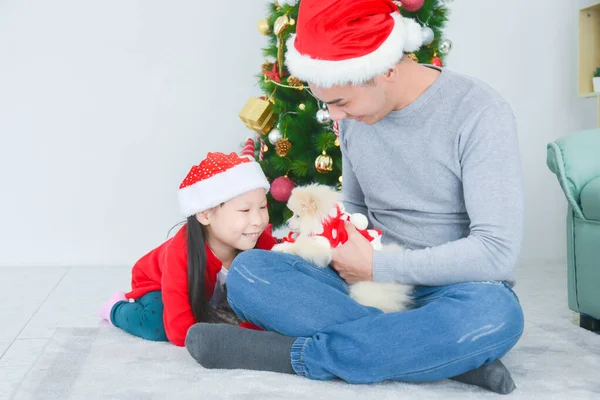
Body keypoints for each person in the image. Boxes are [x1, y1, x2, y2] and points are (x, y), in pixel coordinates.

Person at [185, 0, 524, 394]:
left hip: (455, 285)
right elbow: (357, 211)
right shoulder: (357, 119)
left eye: (340, 102)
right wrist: (338, 250)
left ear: (387, 71)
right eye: (325, 103)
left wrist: (379, 268)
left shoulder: (479, 112)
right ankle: (441, 358)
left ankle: (290, 355)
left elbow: (496, 252)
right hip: (362, 284)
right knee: (248, 274)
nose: (334, 117)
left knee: (496, 316)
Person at [98, 152, 276, 346]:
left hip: (206, 294)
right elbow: (180, 332)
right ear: (205, 214)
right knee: (157, 324)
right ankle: (115, 308)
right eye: (245, 211)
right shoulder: (180, 253)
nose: (258, 221)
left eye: (263, 207)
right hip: (155, 282)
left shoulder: (262, 241)